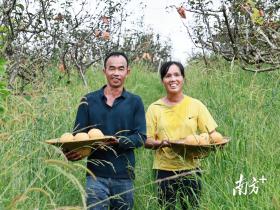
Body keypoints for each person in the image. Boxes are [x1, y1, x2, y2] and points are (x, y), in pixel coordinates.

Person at [65, 52, 146, 210]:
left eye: (120, 69)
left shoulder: (135, 102)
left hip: (124, 177)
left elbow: (141, 137)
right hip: (95, 176)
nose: (116, 73)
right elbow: (78, 136)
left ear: (127, 72)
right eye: (112, 68)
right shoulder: (88, 100)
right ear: (104, 71)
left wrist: (118, 141)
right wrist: (73, 153)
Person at [145, 61, 220, 210]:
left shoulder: (196, 105)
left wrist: (213, 144)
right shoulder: (154, 108)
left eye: (176, 75)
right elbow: (147, 141)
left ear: (183, 78)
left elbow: (212, 134)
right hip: (164, 170)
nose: (173, 79)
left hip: (191, 168)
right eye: (167, 76)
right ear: (162, 81)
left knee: (192, 207)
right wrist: (164, 143)